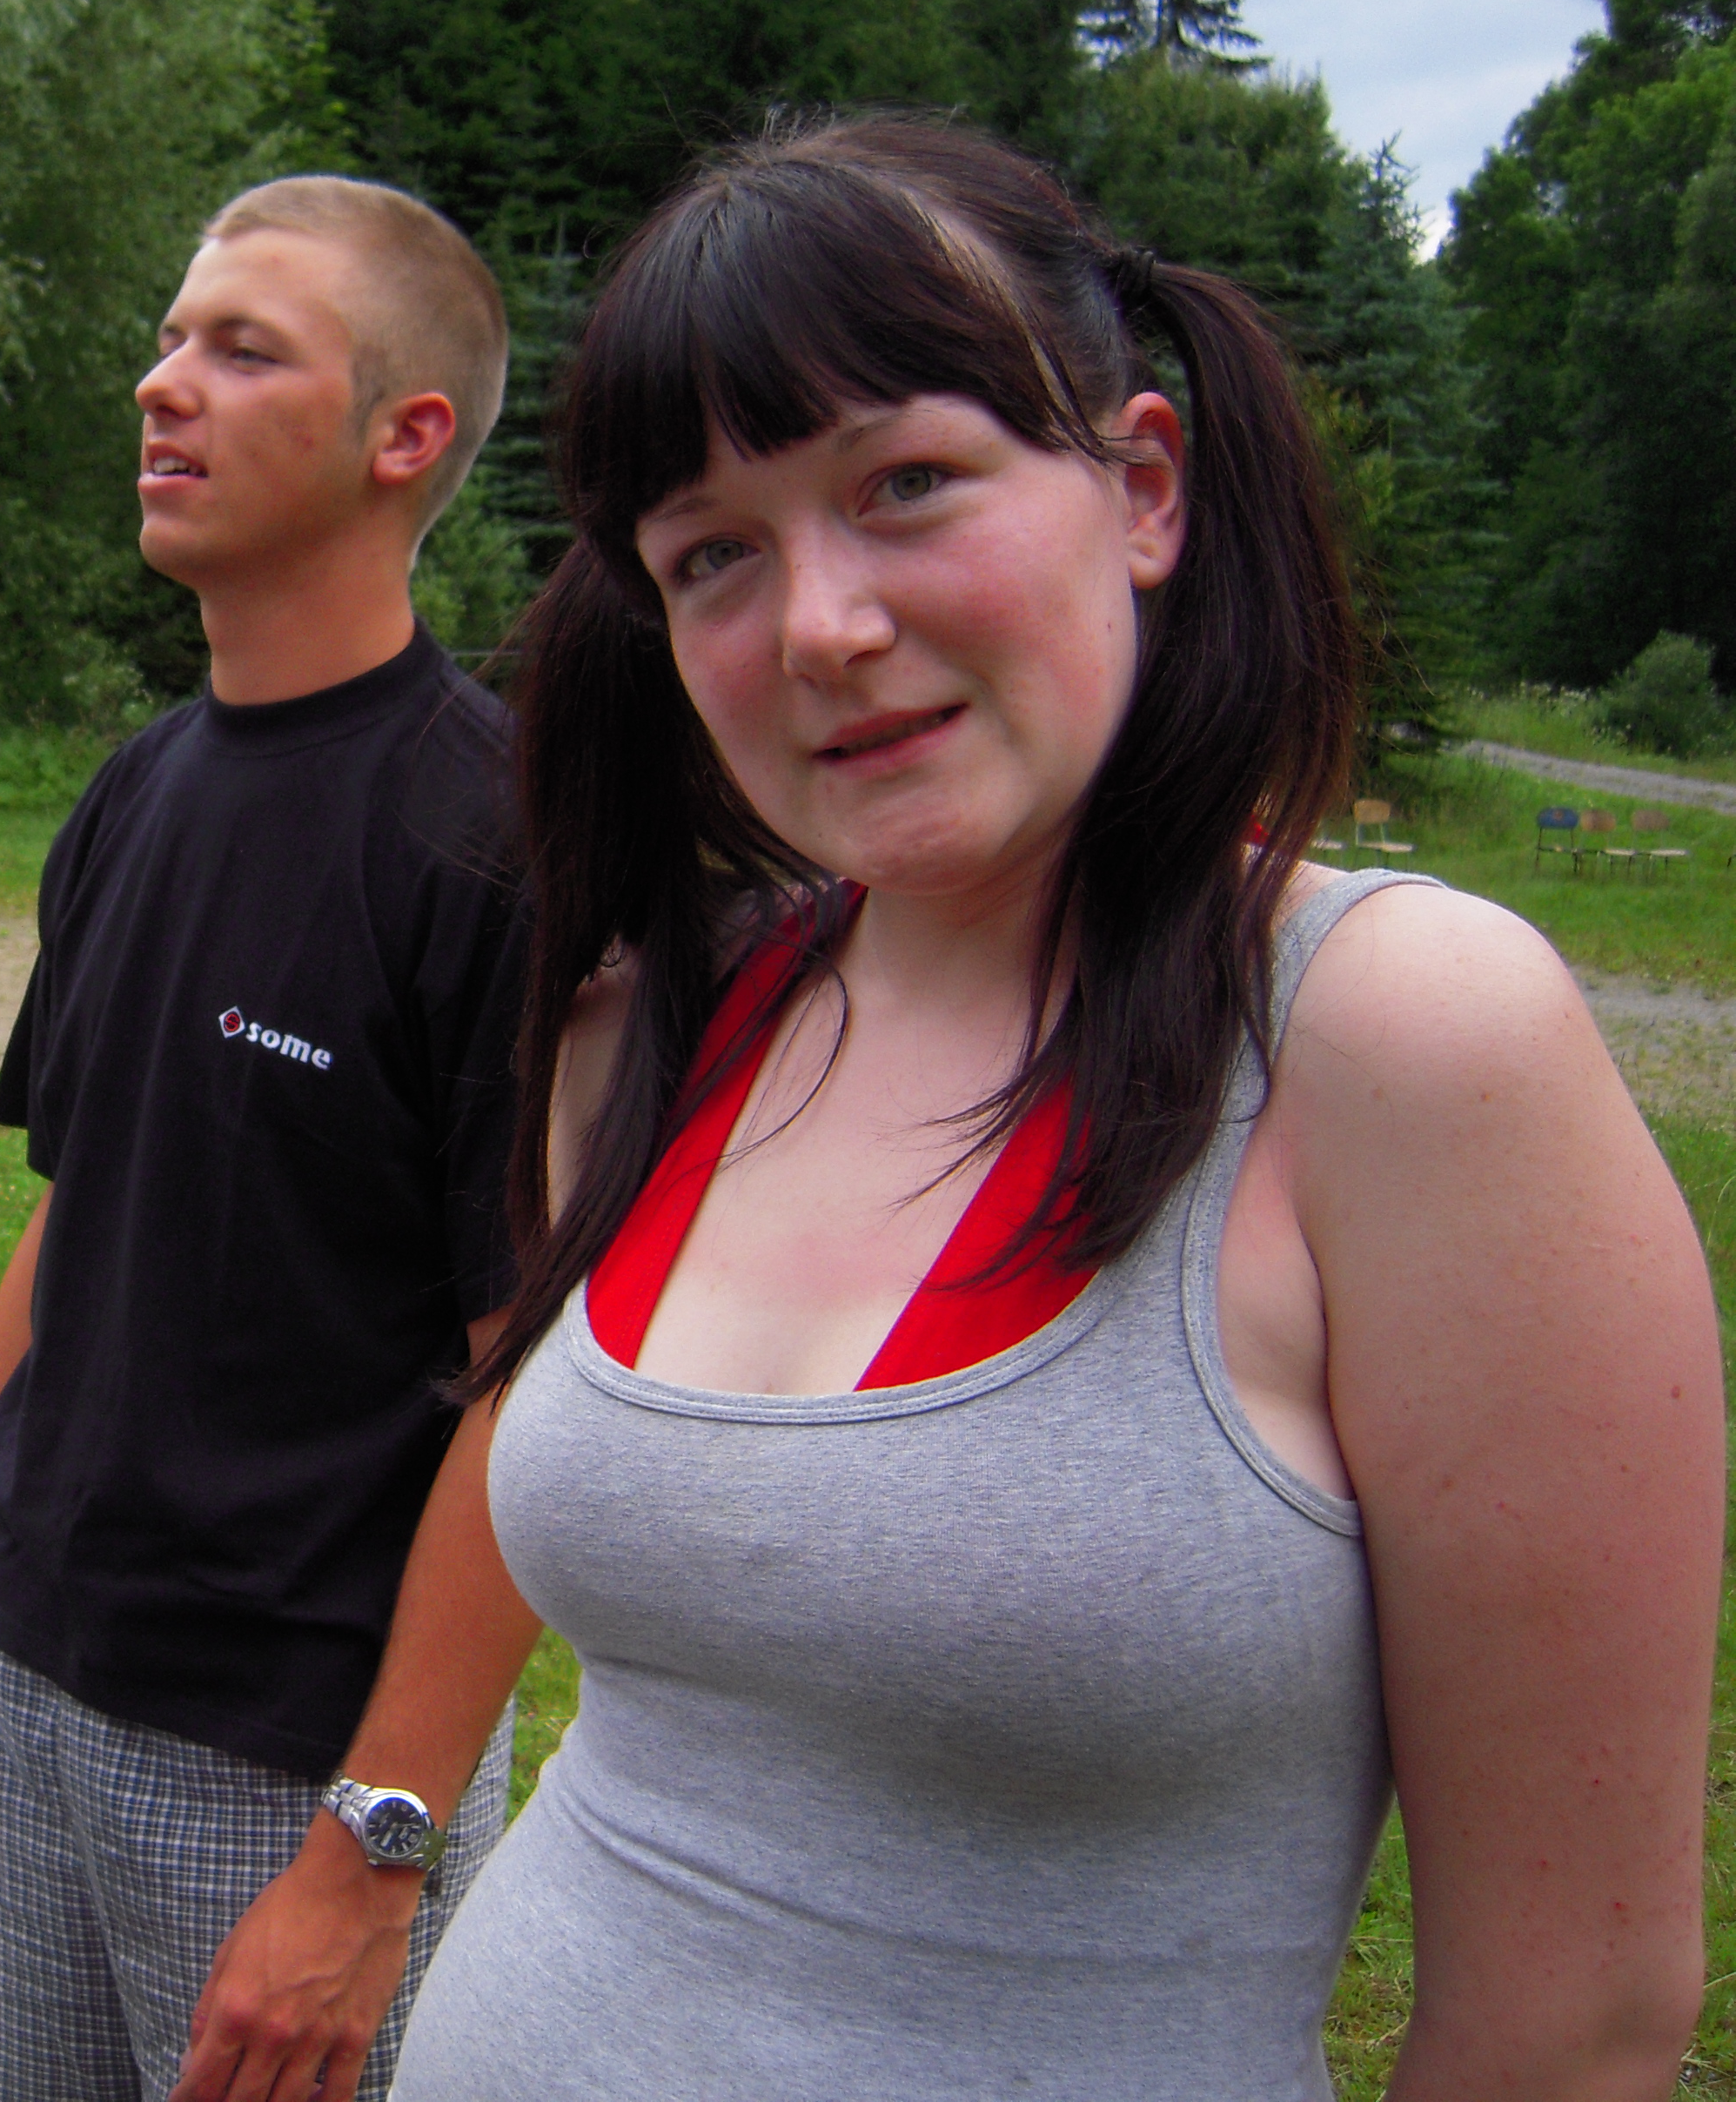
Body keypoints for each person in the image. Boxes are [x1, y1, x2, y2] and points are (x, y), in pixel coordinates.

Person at [388, 116, 1724, 2099]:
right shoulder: (661, 1032)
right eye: (713, 556)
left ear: (1145, 487)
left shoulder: (1401, 1044)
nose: (822, 625)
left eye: (907, 483)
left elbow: (1574, 2021)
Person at [0, 178, 542, 2102]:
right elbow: (75, 1210)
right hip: (23, 1678)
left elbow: (529, 1377)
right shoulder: (138, 790)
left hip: (283, 1763)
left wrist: (373, 1846)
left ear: (403, 436)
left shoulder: (494, 840)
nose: (160, 382)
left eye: (240, 348)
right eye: (170, 337)